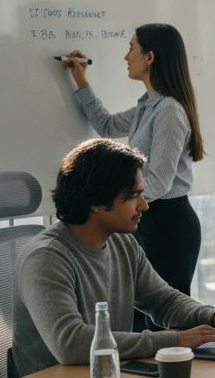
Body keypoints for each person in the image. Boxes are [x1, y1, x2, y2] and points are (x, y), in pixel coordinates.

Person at [11, 138, 215, 378]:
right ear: (96, 201)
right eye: (134, 196)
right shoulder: (46, 258)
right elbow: (71, 343)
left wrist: (212, 317)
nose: (144, 205)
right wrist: (175, 340)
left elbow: (163, 300)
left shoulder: (121, 242)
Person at [63, 23, 205, 302]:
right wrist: (81, 81)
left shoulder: (169, 111)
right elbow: (107, 125)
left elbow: (159, 183)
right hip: (147, 218)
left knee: (166, 323)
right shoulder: (148, 105)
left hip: (168, 224)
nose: (126, 56)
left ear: (149, 57)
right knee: (142, 318)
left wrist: (116, 202)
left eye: (131, 48)